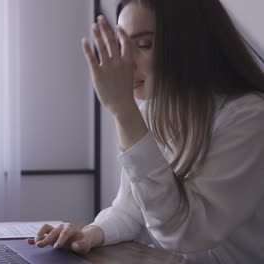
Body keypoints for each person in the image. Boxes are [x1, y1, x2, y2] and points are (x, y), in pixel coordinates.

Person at [28, 0, 264, 263]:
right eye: (121, 46)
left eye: (143, 45)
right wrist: (90, 234)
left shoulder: (249, 117)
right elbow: (131, 211)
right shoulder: (152, 109)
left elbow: (186, 232)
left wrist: (123, 112)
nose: (125, 62)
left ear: (190, 45)